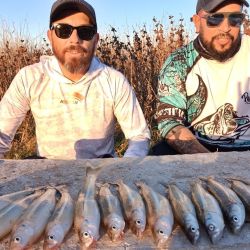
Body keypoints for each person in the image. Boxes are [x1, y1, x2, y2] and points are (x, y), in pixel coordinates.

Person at [0, 0, 150, 159]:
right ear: (50, 36)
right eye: (63, 30)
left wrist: (123, 169)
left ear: (96, 39)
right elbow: (2, 133)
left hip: (100, 173)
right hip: (47, 174)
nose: (75, 39)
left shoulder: (114, 81)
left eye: (85, 31)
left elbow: (138, 136)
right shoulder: (30, 78)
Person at [154, 0, 250, 155]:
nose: (225, 27)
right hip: (199, 146)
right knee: (160, 154)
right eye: (215, 18)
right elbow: (170, 122)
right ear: (197, 23)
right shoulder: (179, 62)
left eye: (235, 19)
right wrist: (209, 162)